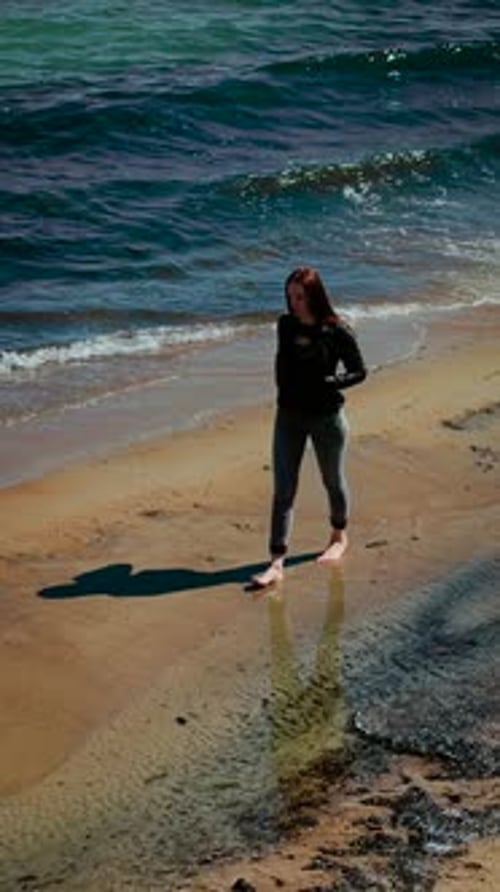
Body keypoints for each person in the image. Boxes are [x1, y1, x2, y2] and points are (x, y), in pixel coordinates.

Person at [252, 266, 367, 589]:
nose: (294, 303)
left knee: (332, 480)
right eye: (290, 297)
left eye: (300, 297)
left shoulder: (337, 331)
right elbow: (285, 362)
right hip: (288, 417)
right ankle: (276, 562)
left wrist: (332, 382)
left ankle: (339, 536)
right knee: (284, 491)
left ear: (314, 296)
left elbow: (359, 371)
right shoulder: (285, 325)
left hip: (326, 419)